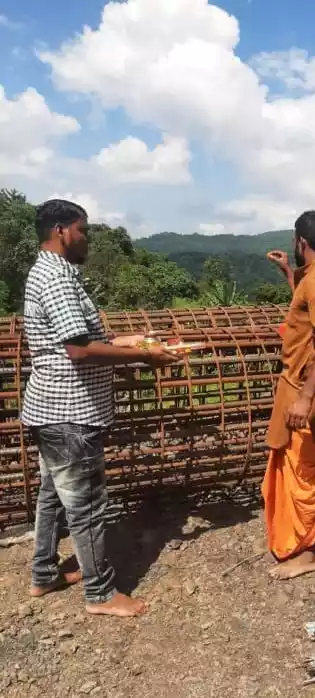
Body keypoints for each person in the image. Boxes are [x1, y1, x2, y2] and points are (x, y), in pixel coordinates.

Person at [22, 199, 180, 617]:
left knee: (53, 495)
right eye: (83, 230)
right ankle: (101, 594)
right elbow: (78, 349)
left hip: (51, 409)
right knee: (87, 505)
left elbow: (77, 336)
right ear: (61, 230)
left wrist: (125, 340)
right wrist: (144, 356)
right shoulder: (57, 278)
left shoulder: (51, 272)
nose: (86, 238)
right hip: (70, 413)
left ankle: (43, 574)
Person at [263, 210, 315, 580]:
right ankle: (296, 543)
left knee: (304, 474)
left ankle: (308, 552)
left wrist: (305, 397)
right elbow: (307, 309)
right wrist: (288, 271)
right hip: (300, 388)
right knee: (297, 467)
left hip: (305, 392)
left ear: (300, 242)